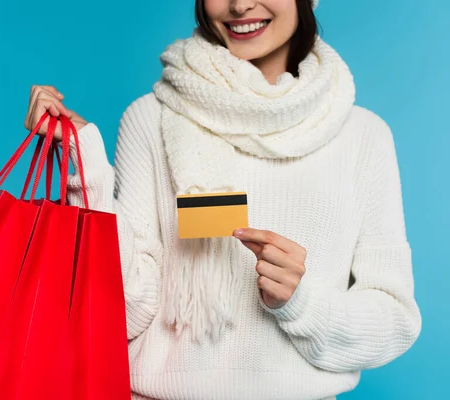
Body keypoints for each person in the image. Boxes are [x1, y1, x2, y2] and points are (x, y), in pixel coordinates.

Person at [24, 0, 422, 398]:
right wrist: (84, 161)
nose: (240, 5)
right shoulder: (150, 118)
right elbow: (121, 312)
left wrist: (301, 302)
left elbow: (393, 322)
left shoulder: (363, 136)